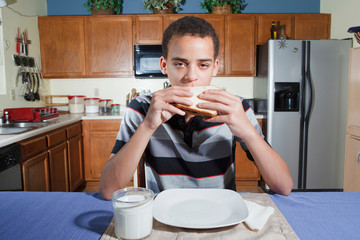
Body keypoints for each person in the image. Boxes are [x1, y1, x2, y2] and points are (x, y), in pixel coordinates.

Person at [99, 16, 293, 200]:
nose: (191, 76)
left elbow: (283, 186)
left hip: (220, 213)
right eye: (180, 64)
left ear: (215, 67)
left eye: (203, 65)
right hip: (164, 215)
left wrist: (248, 132)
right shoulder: (141, 108)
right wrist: (148, 126)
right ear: (164, 65)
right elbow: (108, 190)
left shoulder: (235, 108)